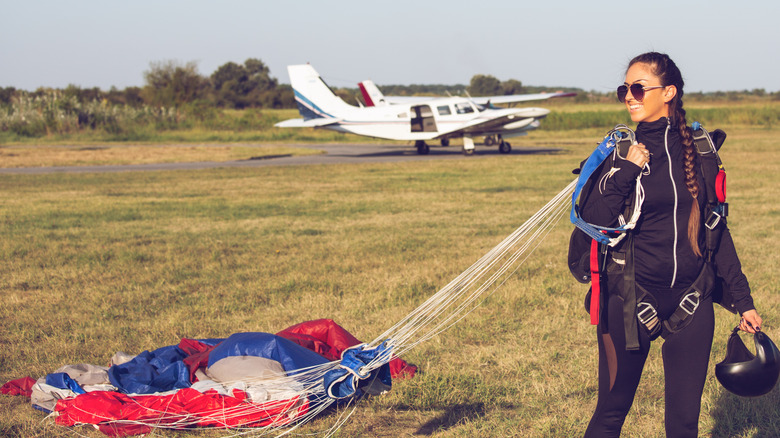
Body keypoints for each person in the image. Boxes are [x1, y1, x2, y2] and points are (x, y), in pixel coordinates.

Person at [578, 52, 763, 437]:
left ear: (669, 92)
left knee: (683, 425)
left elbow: (717, 231)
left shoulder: (700, 151)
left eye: (637, 88)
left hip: (691, 302)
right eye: (623, 90)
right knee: (610, 414)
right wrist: (628, 168)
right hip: (629, 300)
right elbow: (592, 219)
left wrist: (742, 301)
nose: (629, 96)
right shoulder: (617, 152)